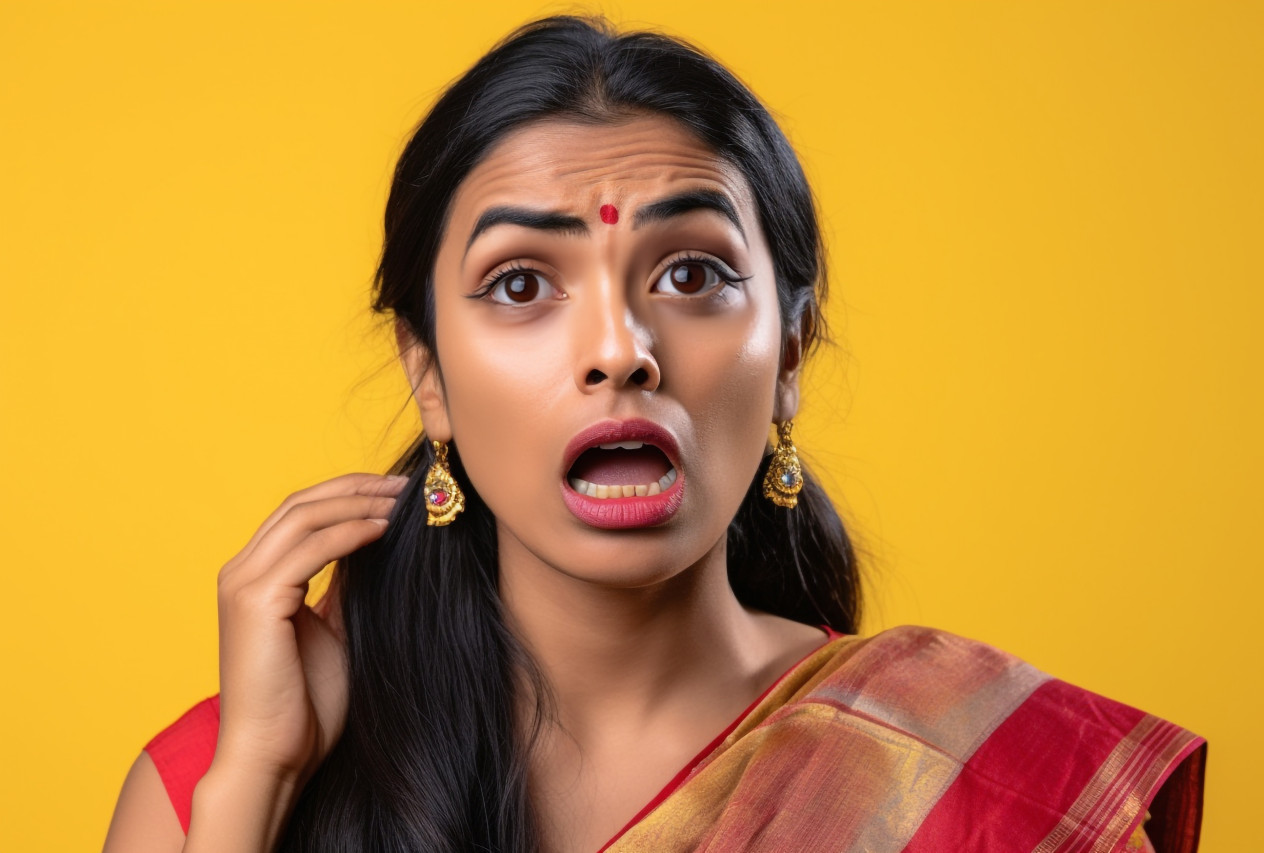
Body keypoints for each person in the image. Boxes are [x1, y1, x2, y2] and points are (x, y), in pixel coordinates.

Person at [103, 15, 1205, 853]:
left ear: (790, 355)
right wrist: (255, 778)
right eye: (523, 282)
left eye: (691, 274)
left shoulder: (969, 780)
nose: (619, 348)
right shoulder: (221, 781)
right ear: (426, 375)